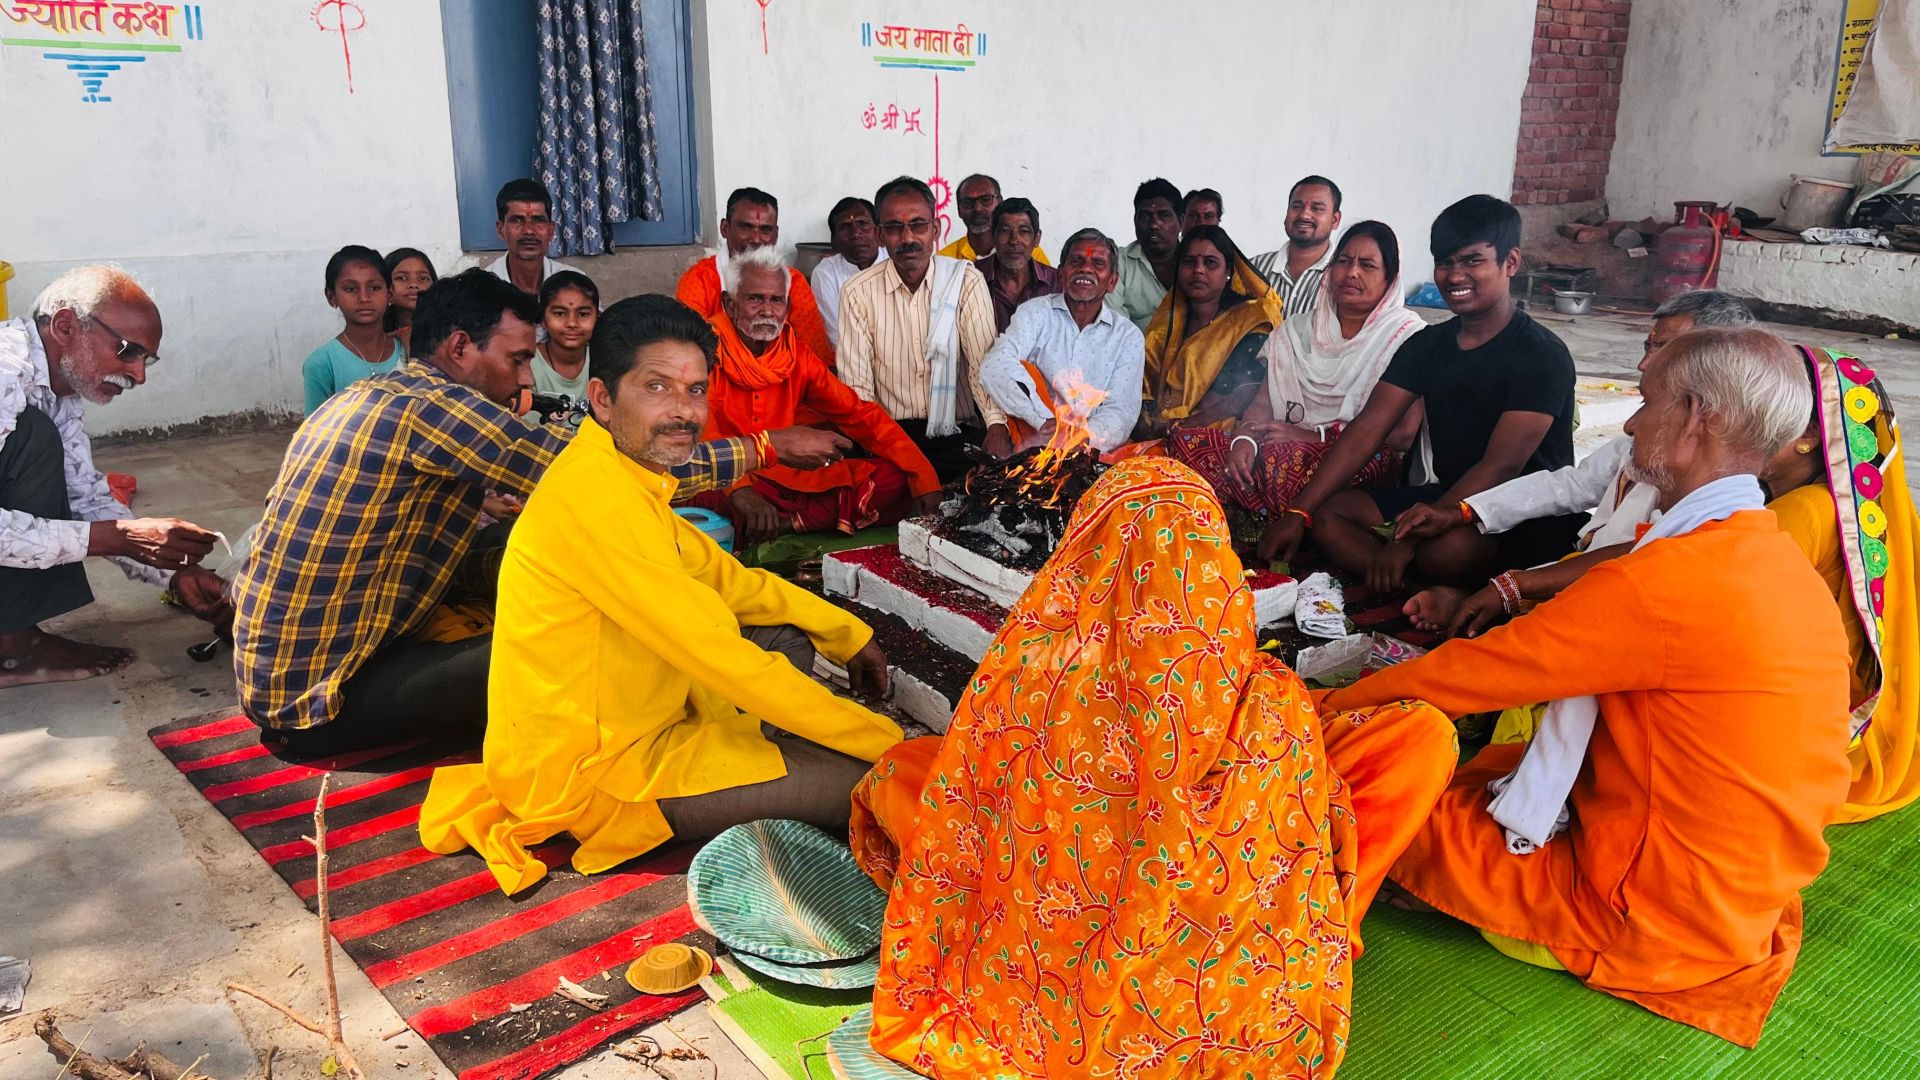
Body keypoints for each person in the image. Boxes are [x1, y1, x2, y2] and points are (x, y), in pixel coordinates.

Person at [845, 457, 1457, 1077]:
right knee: (1401, 750)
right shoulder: (1265, 701)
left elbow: (972, 794)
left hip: (1047, 940)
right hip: (1212, 964)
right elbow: (1287, 829)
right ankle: (1322, 931)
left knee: (908, 768)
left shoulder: (1027, 673)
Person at [1326, 329, 1851, 1047]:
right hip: (1748, 890)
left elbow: (1465, 676)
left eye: (1646, 402)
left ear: (1695, 416)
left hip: (1655, 916)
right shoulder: (1764, 552)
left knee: (1395, 801)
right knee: (1491, 771)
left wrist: (1312, 711)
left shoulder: (1665, 581)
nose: (1631, 423)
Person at [417, 295, 905, 896]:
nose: (684, 412)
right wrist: (889, 744)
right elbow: (714, 652)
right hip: (596, 771)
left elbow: (731, 581)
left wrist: (848, 634)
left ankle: (767, 754)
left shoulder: (626, 475)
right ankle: (761, 767)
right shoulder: (595, 498)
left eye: (696, 390)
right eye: (657, 388)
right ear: (601, 398)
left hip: (648, 710)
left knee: (787, 637)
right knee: (863, 781)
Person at [232, 272, 810, 756]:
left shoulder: (378, 395)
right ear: (459, 348)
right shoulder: (434, 409)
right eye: (516, 358)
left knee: (530, 538)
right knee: (594, 642)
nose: (528, 377)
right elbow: (603, 470)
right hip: (317, 705)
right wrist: (765, 447)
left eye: (693, 390)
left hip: (283, 675)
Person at [1261, 195, 1578, 592]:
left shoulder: (1541, 354)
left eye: (1472, 261)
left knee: (1446, 552)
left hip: (1525, 511)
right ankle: (1419, 594)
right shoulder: (1428, 345)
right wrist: (1298, 511)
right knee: (1328, 516)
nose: (1454, 275)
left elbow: (1501, 467)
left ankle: (1437, 585)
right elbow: (1367, 430)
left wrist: (1410, 537)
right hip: (1447, 494)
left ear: (1510, 263)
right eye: (1445, 262)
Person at [1400, 289, 1756, 632]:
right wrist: (1462, 511)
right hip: (1584, 569)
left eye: (1663, 348)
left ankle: (1496, 612)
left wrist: (1513, 587)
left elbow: (1644, 558)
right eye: (1648, 346)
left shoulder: (1720, 478)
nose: (1644, 363)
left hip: (1628, 602)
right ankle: (1494, 608)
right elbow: (1570, 485)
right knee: (1524, 534)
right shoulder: (1650, 438)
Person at [1, 267, 228, 690]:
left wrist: (175, 572)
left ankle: (14, 634)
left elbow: (83, 495)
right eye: (127, 351)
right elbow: (102, 528)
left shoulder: (55, 387)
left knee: (37, 440)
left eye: (147, 359)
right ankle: (10, 645)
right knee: (32, 437)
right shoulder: (3, 372)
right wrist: (117, 536)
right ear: (66, 325)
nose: (139, 375)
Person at [1170, 221, 1425, 518]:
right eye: (1344, 261)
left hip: (1360, 455)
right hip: (1281, 439)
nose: (1352, 272)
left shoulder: (1406, 336)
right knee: (1186, 444)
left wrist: (1314, 437)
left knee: (1284, 461)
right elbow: (1262, 404)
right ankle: (1240, 522)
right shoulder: (1296, 330)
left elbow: (1403, 435)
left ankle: (1280, 526)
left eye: (1367, 265)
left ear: (1390, 278)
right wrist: (1245, 440)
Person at [695, 248, 941, 548]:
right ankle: (790, 519)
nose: (767, 310)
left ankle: (788, 524)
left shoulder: (795, 353)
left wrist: (924, 475)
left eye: (776, 300)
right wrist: (741, 492)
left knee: (895, 479)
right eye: (754, 298)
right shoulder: (702, 351)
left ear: (787, 307)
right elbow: (701, 431)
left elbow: (858, 414)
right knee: (699, 496)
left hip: (786, 474)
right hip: (726, 477)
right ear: (729, 305)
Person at [838, 176, 1006, 480]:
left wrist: (996, 426)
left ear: (936, 230)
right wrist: (884, 448)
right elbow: (857, 390)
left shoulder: (965, 281)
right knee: (865, 484)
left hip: (957, 435)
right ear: (879, 234)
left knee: (998, 485)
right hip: (891, 438)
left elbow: (983, 366)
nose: (907, 238)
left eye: (918, 225)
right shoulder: (857, 292)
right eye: (894, 228)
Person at [980, 228, 1144, 453]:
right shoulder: (1035, 313)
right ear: (1061, 274)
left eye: (1098, 263)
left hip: (1093, 451)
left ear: (1112, 282)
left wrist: (1081, 439)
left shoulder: (1128, 337)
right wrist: (1044, 420)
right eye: (1076, 261)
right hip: (1035, 446)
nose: (1086, 268)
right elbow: (995, 366)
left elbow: (1121, 411)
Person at [1136, 224, 1284, 438]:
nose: (1198, 270)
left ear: (1228, 271)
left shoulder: (1251, 319)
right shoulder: (1167, 322)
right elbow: (1146, 387)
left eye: (1210, 262)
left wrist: (1183, 426)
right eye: (1189, 262)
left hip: (1223, 434)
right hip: (1164, 430)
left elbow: (1248, 391)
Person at [675, 187, 834, 363]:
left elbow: (816, 357)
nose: (756, 239)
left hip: (784, 384)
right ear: (725, 228)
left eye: (765, 230)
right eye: (746, 227)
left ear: (776, 234)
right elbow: (691, 356)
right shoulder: (698, 280)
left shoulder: (794, 282)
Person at [303, 245, 406, 415]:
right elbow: (315, 432)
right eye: (350, 289)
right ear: (332, 297)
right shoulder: (322, 363)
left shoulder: (407, 350)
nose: (364, 298)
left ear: (390, 293)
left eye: (374, 288)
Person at [1250, 176, 1344, 315]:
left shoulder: (1343, 276)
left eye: (1317, 208)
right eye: (1297, 206)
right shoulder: (1254, 268)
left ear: (1335, 220)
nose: (1304, 215)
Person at [811, 196, 886, 351]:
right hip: (852, 365)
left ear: (878, 232)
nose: (856, 234)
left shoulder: (896, 261)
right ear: (834, 241)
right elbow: (837, 337)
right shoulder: (826, 273)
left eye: (863, 224)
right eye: (845, 227)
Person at [975, 197, 1059, 333]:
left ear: (1037, 238)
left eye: (1023, 231)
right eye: (1005, 231)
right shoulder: (970, 278)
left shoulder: (1057, 283)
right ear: (992, 237)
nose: (1014, 240)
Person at [484, 178, 578, 296]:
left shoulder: (574, 286)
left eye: (538, 220)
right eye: (517, 220)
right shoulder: (481, 291)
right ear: (500, 230)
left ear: (551, 230)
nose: (529, 230)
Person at [1109, 177, 1183, 329]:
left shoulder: (1200, 263)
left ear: (1181, 222)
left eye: (1164, 216)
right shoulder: (1117, 262)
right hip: (1135, 351)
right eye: (1145, 216)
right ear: (1134, 221)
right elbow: (1116, 330)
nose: (1154, 224)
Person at [935, 173, 1053, 265]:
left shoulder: (1028, 252)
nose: (977, 208)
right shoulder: (943, 260)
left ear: (1000, 203)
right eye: (968, 202)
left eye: (986, 199)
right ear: (959, 210)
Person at [530, 270, 598, 403]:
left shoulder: (605, 362)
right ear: (543, 320)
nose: (572, 323)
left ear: (597, 317)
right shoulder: (528, 365)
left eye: (583, 314)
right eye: (560, 313)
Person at [383, 247, 437, 352]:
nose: (414, 284)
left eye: (423, 278)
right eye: (401, 278)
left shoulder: (447, 335)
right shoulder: (374, 337)